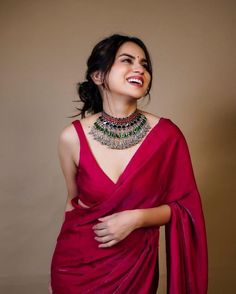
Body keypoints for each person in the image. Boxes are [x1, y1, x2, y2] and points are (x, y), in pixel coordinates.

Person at [50, 34, 208, 294]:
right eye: (127, 60)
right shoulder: (71, 138)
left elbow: (186, 209)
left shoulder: (167, 136)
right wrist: (57, 274)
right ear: (98, 76)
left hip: (134, 269)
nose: (140, 69)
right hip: (75, 268)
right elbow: (73, 204)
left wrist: (137, 218)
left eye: (144, 64)